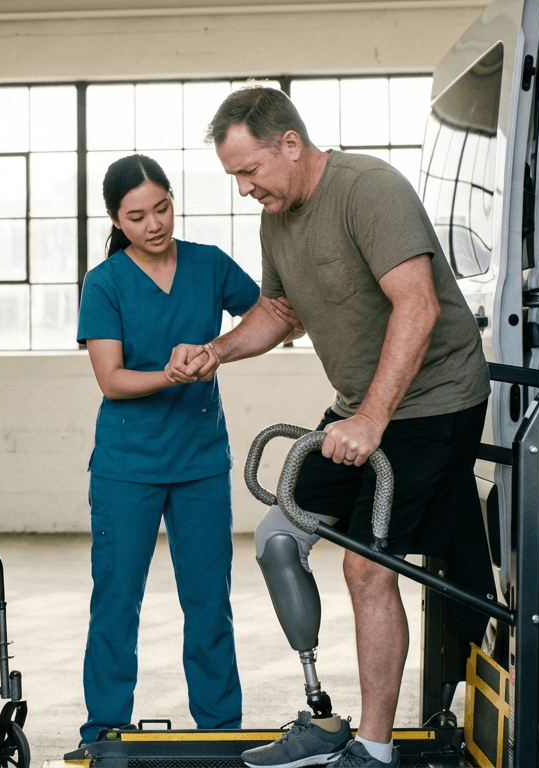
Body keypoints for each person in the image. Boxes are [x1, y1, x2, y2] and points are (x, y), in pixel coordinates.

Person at [169, 87, 493, 768]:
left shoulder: (368, 190)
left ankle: (373, 749)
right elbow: (280, 311)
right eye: (234, 176)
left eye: (249, 171)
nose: (244, 189)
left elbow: (419, 305)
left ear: (290, 144)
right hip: (360, 408)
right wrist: (217, 351)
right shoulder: (278, 217)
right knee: (277, 538)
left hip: (432, 402)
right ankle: (321, 713)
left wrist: (373, 417)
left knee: (366, 567)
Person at [76, 154, 262, 745]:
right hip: (127, 468)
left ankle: (221, 731)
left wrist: (220, 348)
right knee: (116, 603)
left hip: (200, 464)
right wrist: (173, 373)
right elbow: (111, 380)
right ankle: (104, 730)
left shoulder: (209, 265)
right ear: (116, 219)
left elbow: (275, 315)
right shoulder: (105, 283)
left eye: (162, 208)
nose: (154, 224)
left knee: (209, 603)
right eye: (137, 217)